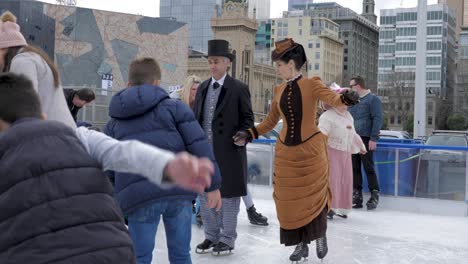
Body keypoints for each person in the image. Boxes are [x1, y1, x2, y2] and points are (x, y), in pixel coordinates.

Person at [0, 72, 215, 264]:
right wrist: (168, 165)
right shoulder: (77, 135)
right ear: (43, 117)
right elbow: (122, 152)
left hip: (37, 253)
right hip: (111, 248)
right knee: (178, 253)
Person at [233, 38, 359, 262]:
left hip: (310, 153)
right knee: (290, 201)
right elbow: (270, 122)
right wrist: (249, 133)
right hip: (286, 155)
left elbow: (332, 97)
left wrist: (345, 97)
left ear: (291, 64)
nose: (277, 69)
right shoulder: (279, 90)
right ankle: (301, 245)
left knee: (314, 197)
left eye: (279, 65)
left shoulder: (312, 84)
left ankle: (320, 235)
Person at [105, 57, 222, 264]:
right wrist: (212, 185)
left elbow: (109, 163)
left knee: (139, 257)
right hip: (178, 190)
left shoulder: (115, 121)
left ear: (129, 84)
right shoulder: (175, 108)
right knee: (181, 256)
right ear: (158, 83)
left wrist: (115, 196)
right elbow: (199, 144)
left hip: (137, 196)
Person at [175, 74, 268, 226]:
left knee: (235, 180)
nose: (195, 92)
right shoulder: (180, 106)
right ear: (187, 90)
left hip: (210, 148)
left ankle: (249, 210)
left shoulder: (205, 102)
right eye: (192, 89)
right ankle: (194, 209)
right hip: (191, 150)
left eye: (197, 89)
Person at [192, 39, 254, 255]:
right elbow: (195, 119)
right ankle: (211, 236)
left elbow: (248, 120)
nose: (212, 66)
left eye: (216, 61)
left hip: (229, 153)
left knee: (228, 197)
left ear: (227, 62)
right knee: (205, 194)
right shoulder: (202, 88)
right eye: (210, 62)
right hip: (205, 154)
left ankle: (227, 238)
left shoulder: (239, 88)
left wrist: (244, 134)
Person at [0, 11, 75, 128]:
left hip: (50, 137)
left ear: (4, 48)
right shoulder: (34, 57)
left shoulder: (22, 61)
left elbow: (24, 109)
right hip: (60, 134)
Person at [318, 88, 367, 219]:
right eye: (344, 102)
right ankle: (328, 207)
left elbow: (353, 134)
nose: (346, 106)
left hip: (345, 154)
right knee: (332, 180)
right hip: (331, 153)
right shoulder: (327, 116)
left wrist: (361, 145)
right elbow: (321, 134)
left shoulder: (348, 117)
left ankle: (341, 208)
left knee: (345, 181)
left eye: (348, 104)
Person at [348, 76, 383, 210]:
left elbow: (377, 118)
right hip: (352, 138)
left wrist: (373, 138)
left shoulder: (372, 99)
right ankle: (357, 195)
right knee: (354, 167)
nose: (350, 88)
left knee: (368, 167)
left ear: (358, 86)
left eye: (351, 86)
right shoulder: (353, 101)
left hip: (366, 138)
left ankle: (374, 194)